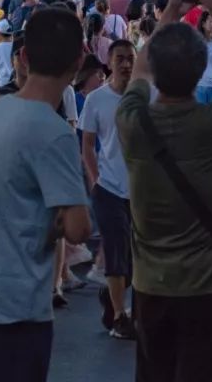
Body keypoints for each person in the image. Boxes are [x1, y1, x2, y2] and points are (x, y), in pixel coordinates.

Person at [115, 0, 212, 382]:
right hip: (211, 289)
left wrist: (170, 13)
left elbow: (140, 69)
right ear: (202, 69)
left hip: (152, 288)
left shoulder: (132, 121)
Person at [0, 7, 92, 381]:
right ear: (79, 60)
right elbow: (78, 227)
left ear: (23, 57)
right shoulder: (55, 131)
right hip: (17, 305)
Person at [80, 40, 137, 340]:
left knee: (136, 259)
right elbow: (88, 144)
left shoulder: (146, 96)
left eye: (131, 58)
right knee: (116, 253)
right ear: (109, 62)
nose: (126, 64)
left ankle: (113, 297)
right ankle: (119, 316)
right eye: (120, 59)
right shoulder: (96, 100)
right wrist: (95, 179)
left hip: (141, 191)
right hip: (109, 188)